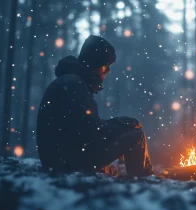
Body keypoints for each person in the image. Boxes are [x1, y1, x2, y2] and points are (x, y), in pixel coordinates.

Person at [37, 35, 153, 176]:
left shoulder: (71, 81)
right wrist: (123, 124)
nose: (107, 71)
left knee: (114, 170)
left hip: (59, 159)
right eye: (106, 65)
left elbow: (83, 129)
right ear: (96, 63)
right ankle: (144, 179)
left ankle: (132, 175)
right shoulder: (74, 85)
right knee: (136, 134)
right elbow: (91, 132)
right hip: (65, 162)